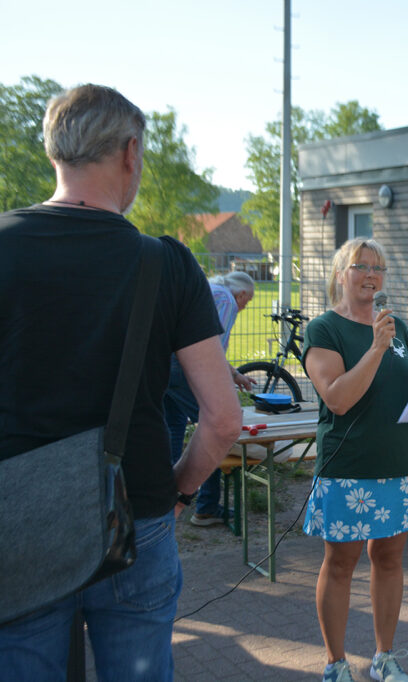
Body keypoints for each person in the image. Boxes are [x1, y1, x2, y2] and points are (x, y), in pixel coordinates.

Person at [0, 84, 240, 679]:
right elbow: (223, 419)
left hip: (17, 521)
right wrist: (180, 491)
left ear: (55, 150)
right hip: (136, 513)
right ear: (130, 153)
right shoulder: (164, 262)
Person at [302, 238, 408, 682]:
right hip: (350, 466)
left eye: (379, 269)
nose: (371, 275)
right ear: (340, 275)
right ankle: (336, 663)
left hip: (400, 462)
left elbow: (398, 390)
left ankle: (384, 656)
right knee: (341, 563)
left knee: (389, 559)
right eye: (360, 266)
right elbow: (338, 398)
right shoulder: (325, 329)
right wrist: (376, 347)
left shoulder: (395, 327)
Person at [164, 270, 257, 526]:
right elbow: (212, 349)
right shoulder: (226, 300)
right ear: (241, 294)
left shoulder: (207, 289)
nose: (243, 308)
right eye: (246, 303)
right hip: (185, 365)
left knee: (173, 427)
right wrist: (226, 378)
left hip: (166, 361)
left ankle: (164, 496)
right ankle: (206, 506)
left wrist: (235, 374)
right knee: (214, 429)